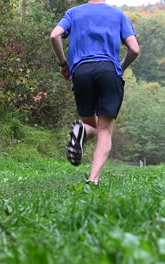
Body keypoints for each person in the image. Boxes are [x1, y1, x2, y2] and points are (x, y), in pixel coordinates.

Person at [50, 0, 140, 186]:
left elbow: (54, 35)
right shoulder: (118, 15)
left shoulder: (74, 13)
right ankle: (93, 179)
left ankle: (82, 130)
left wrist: (63, 64)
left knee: (89, 123)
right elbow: (134, 49)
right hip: (108, 71)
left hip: (81, 72)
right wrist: (120, 67)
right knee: (105, 130)